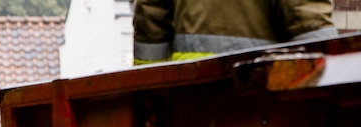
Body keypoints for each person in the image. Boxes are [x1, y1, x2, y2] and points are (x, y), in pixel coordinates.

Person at [133, 0, 336, 64]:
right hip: (257, 82)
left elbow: (151, 13)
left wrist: (151, 86)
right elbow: (305, 14)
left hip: (188, 86)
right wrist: (330, 64)